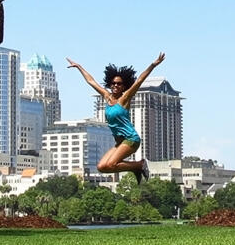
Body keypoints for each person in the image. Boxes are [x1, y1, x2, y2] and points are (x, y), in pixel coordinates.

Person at [66, 53, 165, 183]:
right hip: (120, 142)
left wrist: (153, 65)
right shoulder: (107, 97)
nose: (115, 86)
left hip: (131, 139)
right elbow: (91, 81)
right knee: (102, 167)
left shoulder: (125, 98)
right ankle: (136, 167)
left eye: (119, 84)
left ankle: (139, 165)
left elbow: (139, 80)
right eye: (113, 83)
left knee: (112, 164)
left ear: (124, 86)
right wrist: (79, 66)